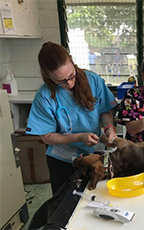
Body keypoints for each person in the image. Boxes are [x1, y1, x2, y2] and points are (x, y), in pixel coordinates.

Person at [26, 42, 118, 194]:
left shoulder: (93, 80)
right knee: (65, 203)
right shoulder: (44, 97)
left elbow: (104, 111)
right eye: (61, 81)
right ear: (47, 76)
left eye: (71, 75)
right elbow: (47, 137)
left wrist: (109, 129)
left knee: (92, 197)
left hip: (92, 155)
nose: (69, 83)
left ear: (71, 59)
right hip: (63, 161)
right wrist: (79, 137)